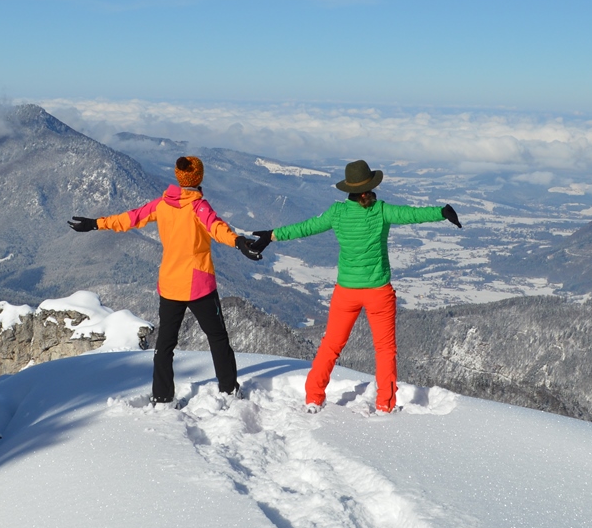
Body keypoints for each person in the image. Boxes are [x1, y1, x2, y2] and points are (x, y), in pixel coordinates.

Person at [251, 160, 461, 413]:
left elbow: (305, 228)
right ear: (369, 188)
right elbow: (411, 214)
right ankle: (385, 404)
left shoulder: (337, 212)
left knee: (330, 346)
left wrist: (272, 235)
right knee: (384, 351)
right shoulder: (381, 210)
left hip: (345, 292)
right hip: (379, 293)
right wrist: (442, 211)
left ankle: (313, 397)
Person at [68, 155, 264, 405]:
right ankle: (228, 389)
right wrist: (239, 242)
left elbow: (130, 218)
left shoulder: (162, 204)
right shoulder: (199, 207)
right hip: (199, 286)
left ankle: (162, 395)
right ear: (199, 177)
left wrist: (95, 224)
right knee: (217, 338)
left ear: (179, 177)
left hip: (170, 285)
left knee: (165, 345)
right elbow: (217, 228)